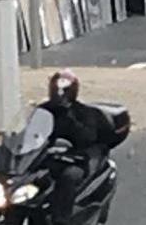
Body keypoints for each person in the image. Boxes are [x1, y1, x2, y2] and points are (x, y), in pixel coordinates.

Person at [39, 70, 104, 224]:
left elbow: (88, 137)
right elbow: (29, 133)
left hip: (74, 159)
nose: (58, 94)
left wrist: (70, 120)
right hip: (46, 158)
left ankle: (61, 219)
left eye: (62, 91)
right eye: (55, 89)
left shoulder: (82, 112)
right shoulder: (43, 110)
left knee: (68, 177)